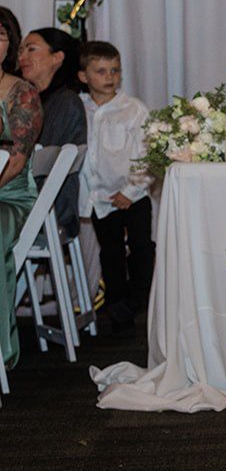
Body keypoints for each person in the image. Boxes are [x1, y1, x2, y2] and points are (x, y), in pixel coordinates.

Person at [78, 42, 153, 333]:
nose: (109, 77)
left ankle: (138, 299)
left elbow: (147, 152)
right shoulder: (78, 107)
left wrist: (131, 191)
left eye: (115, 70)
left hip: (133, 195)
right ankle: (117, 308)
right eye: (100, 71)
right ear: (84, 76)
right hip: (100, 198)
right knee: (110, 252)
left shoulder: (133, 109)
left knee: (141, 247)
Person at [0, 9, 40, 368]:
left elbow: (16, 159)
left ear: (9, 44)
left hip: (9, 196)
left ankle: (1, 350)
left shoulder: (22, 93)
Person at [19, 27, 85, 234]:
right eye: (20, 51)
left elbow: (38, 161)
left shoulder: (66, 102)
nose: (22, 57)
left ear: (57, 57)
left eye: (31, 49)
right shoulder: (33, 102)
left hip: (49, 208)